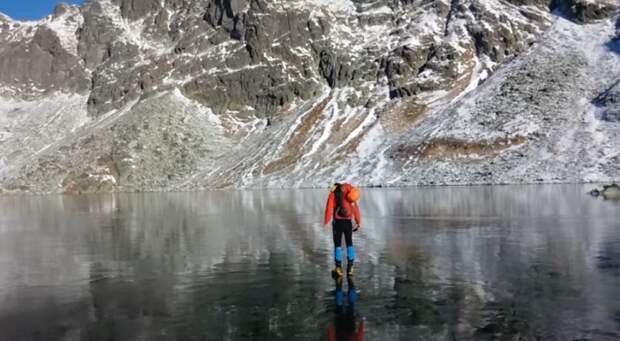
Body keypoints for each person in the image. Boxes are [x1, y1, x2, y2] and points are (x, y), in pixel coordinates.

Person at [324, 183, 361, 277]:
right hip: (348, 222)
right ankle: (350, 268)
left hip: (338, 222)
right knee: (349, 243)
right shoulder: (350, 193)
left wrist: (326, 221)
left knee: (337, 245)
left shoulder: (333, 193)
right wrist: (358, 221)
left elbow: (329, 208)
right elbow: (356, 209)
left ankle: (338, 268)